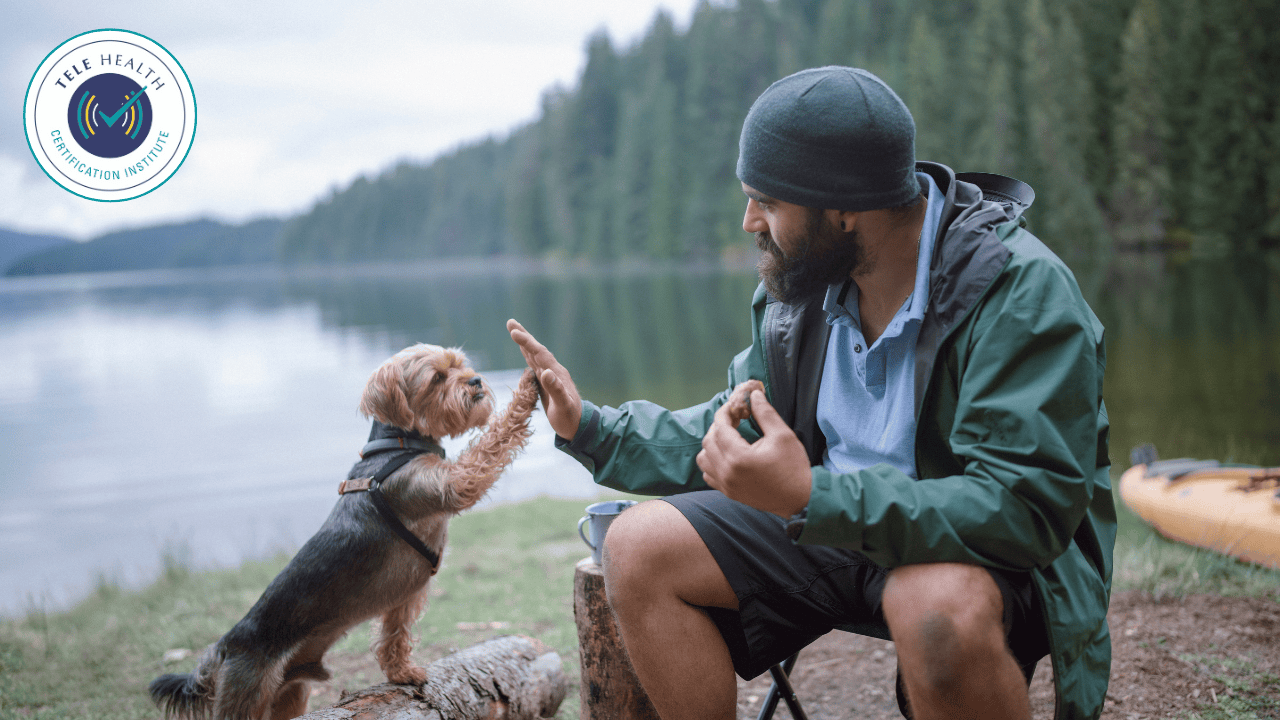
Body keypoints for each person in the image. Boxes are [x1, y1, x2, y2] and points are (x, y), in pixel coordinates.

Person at [508, 66, 1114, 720]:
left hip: (973, 555)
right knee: (635, 547)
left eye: (767, 202)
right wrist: (591, 427)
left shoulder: (1019, 294)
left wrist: (811, 496)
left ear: (845, 208)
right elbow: (736, 422)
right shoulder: (801, 287)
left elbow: (1023, 509)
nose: (748, 222)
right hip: (826, 524)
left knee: (932, 609)